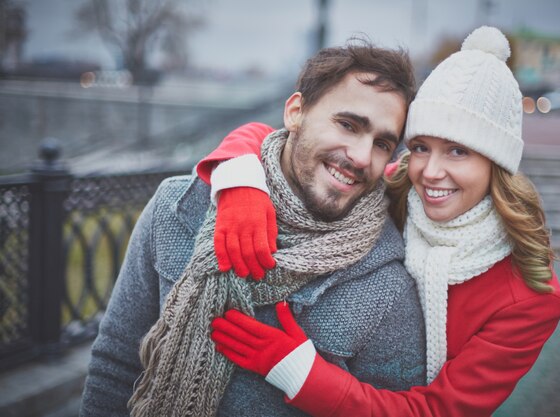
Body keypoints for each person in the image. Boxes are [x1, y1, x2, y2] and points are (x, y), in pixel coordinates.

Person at [208, 26, 560, 417]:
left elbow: (438, 412)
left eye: (458, 151)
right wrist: (241, 182)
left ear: (496, 164)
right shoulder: (399, 187)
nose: (430, 172)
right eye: (420, 147)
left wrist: (302, 374)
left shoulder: (530, 298)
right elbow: (281, 141)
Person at [80, 40, 428, 417]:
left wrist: (313, 381)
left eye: (381, 144)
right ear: (296, 112)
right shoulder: (178, 207)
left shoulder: (388, 287)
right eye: (347, 124)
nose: (361, 157)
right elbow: (115, 365)